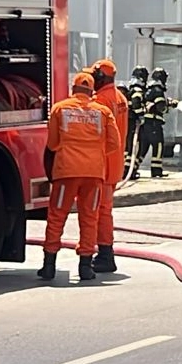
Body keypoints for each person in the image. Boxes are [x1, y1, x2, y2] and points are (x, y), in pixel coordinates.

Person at [39, 71, 121, 283]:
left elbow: (52, 144)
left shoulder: (59, 108)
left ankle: (49, 267)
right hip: (94, 174)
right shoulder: (102, 112)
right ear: (92, 90)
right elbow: (114, 144)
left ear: (73, 89)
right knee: (90, 218)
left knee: (57, 216)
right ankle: (86, 267)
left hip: (66, 172)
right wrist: (94, 152)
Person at [90, 59, 129, 274]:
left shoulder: (102, 101)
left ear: (101, 77)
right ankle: (104, 252)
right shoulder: (120, 98)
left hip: (103, 164)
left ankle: (105, 254)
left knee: (101, 212)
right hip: (115, 165)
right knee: (104, 210)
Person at [137, 67, 179, 178]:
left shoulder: (149, 89)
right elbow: (161, 107)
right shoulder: (158, 90)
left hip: (145, 125)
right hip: (154, 125)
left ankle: (131, 170)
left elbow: (154, 104)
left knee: (143, 149)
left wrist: (168, 102)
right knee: (158, 146)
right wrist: (168, 107)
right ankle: (156, 171)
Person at [124, 66, 149, 177]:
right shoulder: (138, 90)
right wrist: (141, 115)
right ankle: (129, 170)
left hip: (129, 121)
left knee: (129, 147)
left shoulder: (131, 89)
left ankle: (129, 170)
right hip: (134, 122)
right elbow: (136, 103)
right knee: (134, 147)